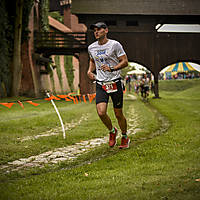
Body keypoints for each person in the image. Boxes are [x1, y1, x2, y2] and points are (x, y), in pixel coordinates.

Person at [87, 22, 130, 149]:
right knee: (101, 112)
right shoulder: (91, 47)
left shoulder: (115, 45)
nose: (96, 32)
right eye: (94, 30)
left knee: (118, 114)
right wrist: (90, 71)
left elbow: (125, 61)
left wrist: (112, 68)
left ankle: (124, 136)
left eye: (99, 29)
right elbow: (92, 60)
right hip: (101, 83)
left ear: (106, 31)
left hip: (115, 82)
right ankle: (112, 131)